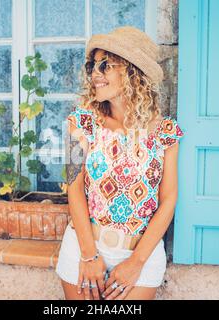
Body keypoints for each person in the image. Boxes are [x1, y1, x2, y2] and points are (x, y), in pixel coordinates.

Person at [55, 26, 185, 300]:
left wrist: (136, 262)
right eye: (92, 65)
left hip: (142, 255)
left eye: (105, 65)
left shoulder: (165, 132)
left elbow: (169, 200)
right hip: (84, 247)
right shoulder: (81, 123)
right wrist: (89, 256)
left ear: (132, 72)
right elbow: (73, 188)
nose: (95, 74)